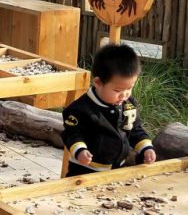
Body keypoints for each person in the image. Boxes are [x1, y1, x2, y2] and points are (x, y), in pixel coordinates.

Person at [61, 43, 154, 177]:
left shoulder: (128, 104)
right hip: (85, 170)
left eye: (129, 88)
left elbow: (135, 129)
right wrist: (80, 151)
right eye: (117, 90)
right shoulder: (79, 109)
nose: (124, 95)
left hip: (117, 168)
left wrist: (146, 147)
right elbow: (72, 134)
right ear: (98, 83)